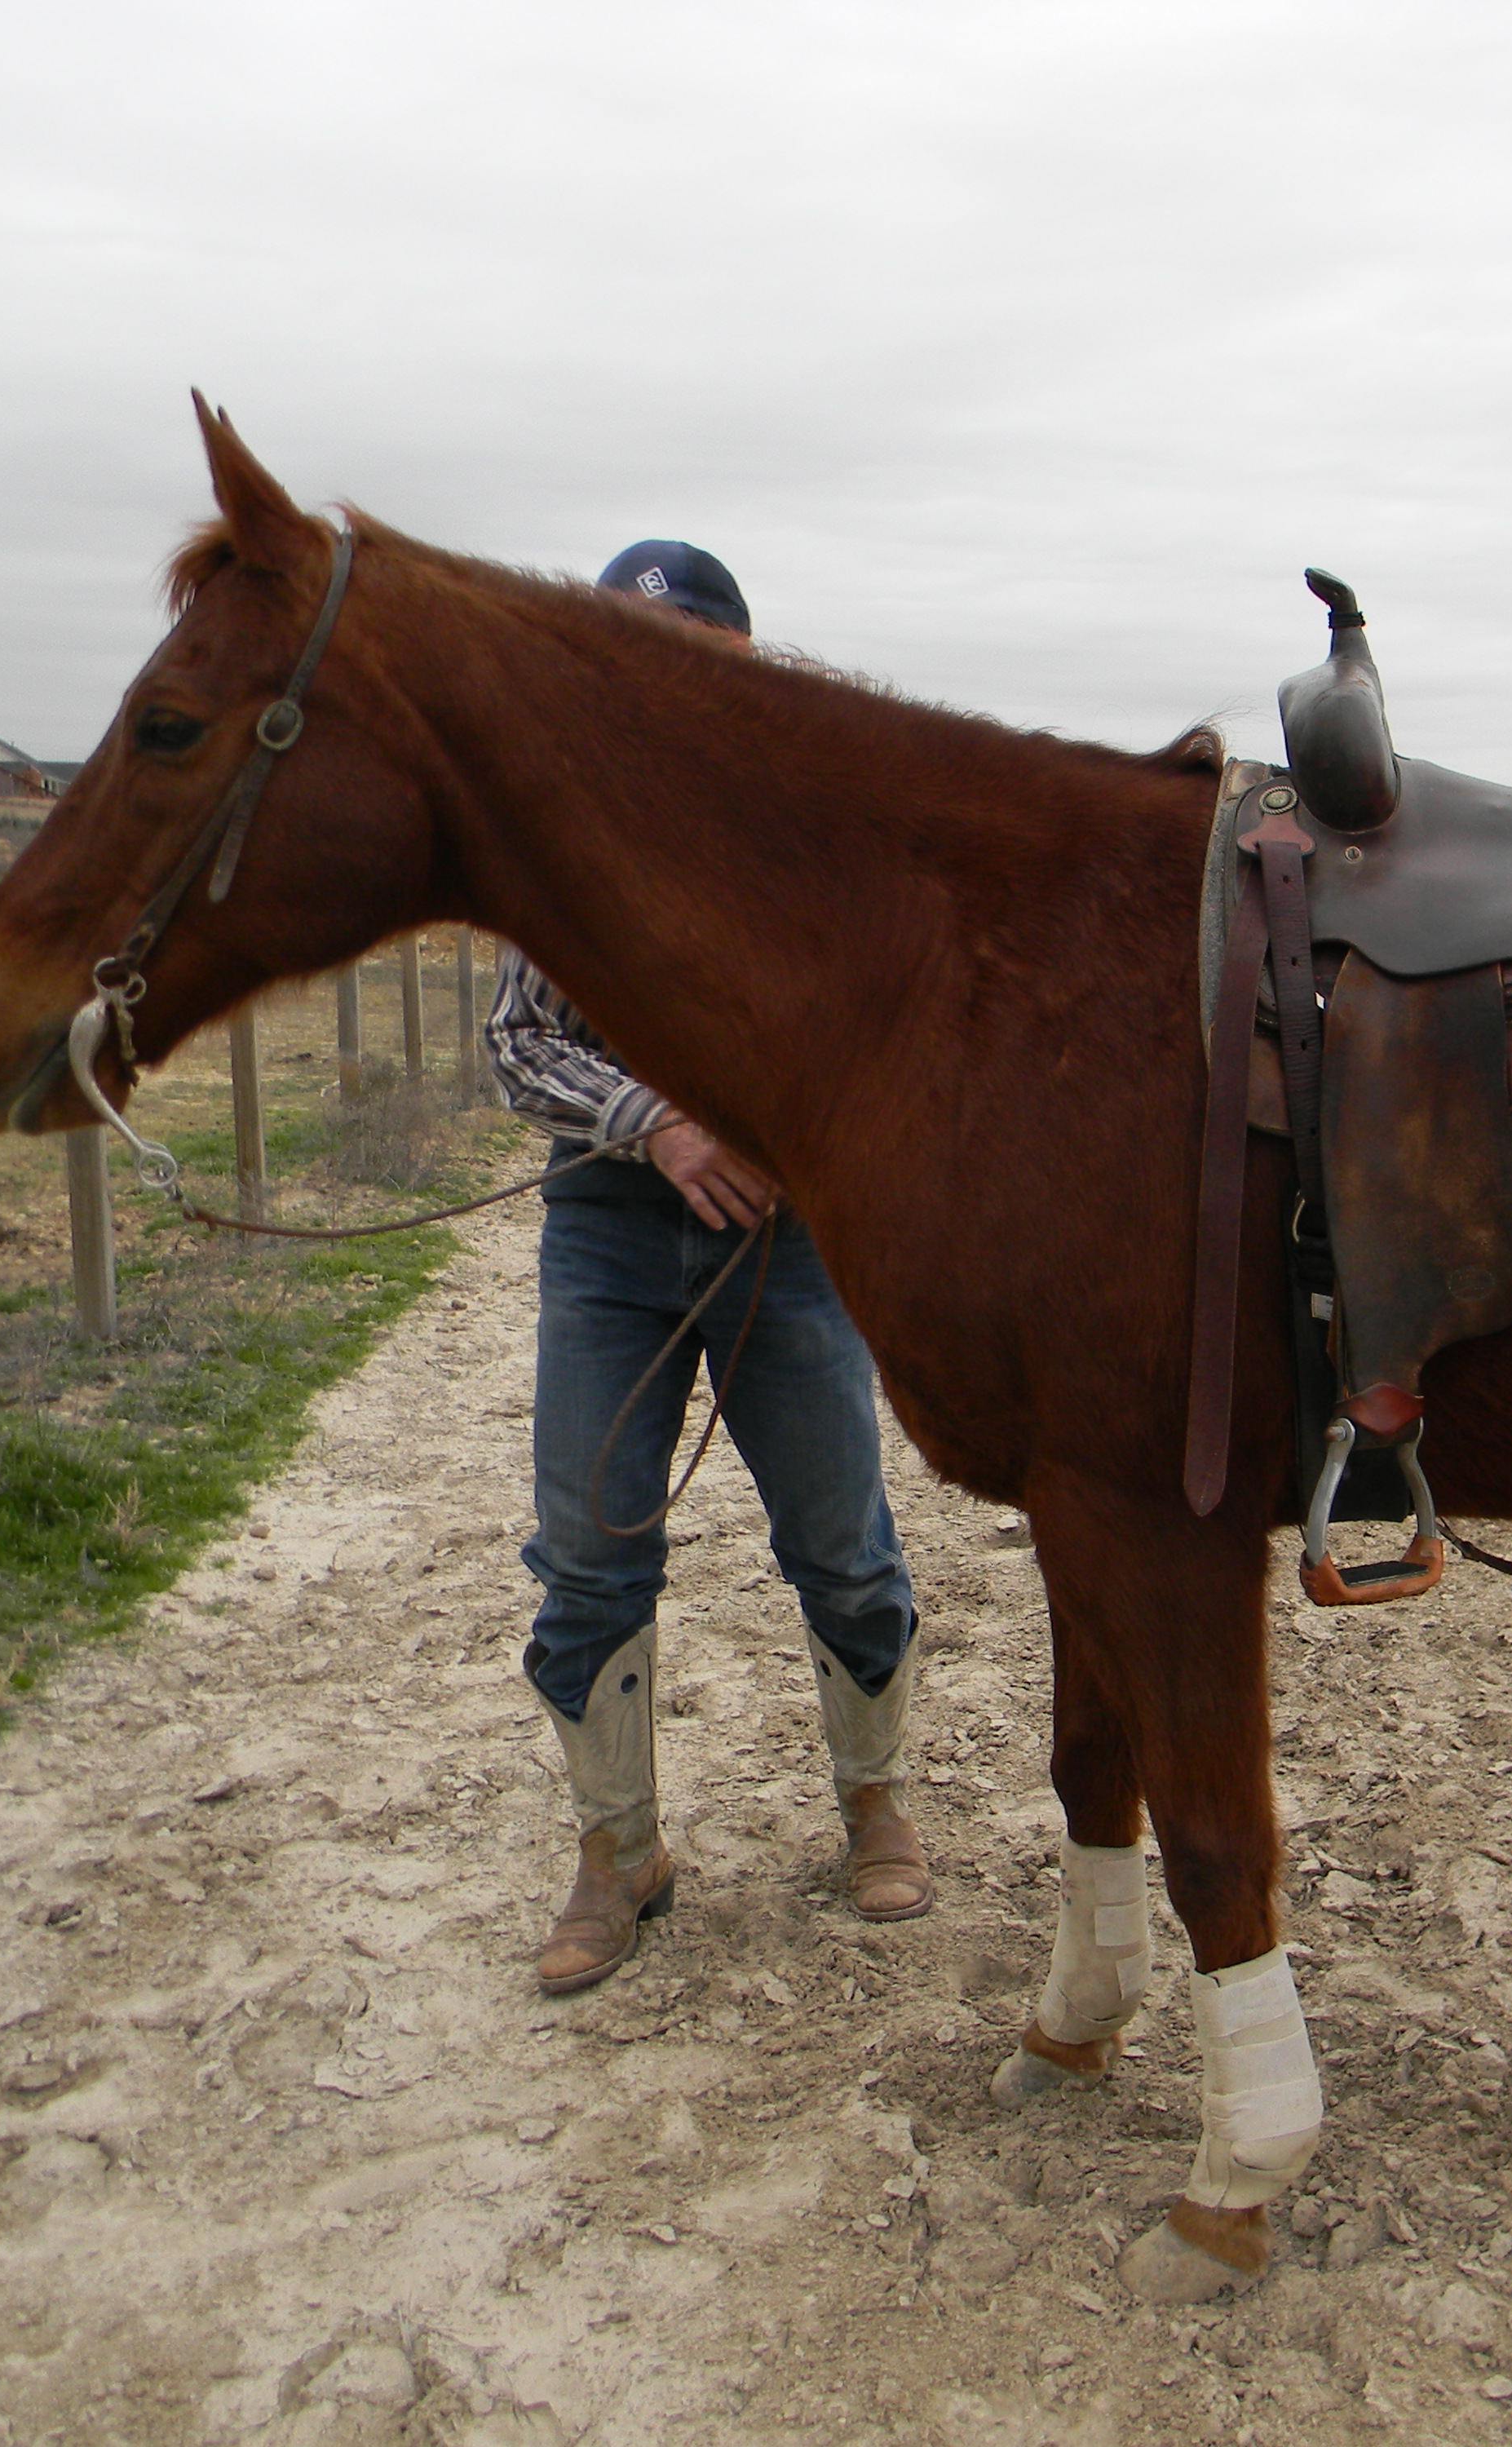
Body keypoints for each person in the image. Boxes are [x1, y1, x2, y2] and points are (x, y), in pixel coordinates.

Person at [485, 538, 931, 1997]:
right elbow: (515, 1040)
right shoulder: (563, 833)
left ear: (737, 663)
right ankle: (619, 1856)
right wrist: (659, 1122)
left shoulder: (814, 829)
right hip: (611, 1231)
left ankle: (875, 1803)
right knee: (589, 1551)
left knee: (844, 1543)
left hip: (788, 1243)